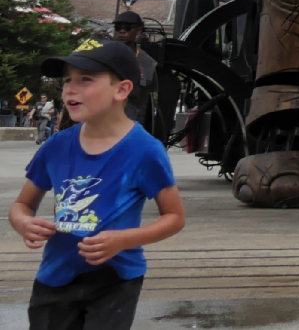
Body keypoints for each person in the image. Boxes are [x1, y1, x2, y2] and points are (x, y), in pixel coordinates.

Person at [10, 37, 184, 330]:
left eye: (86, 79)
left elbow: (174, 217)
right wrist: (24, 223)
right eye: (67, 80)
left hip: (115, 280)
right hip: (55, 275)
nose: (70, 89)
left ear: (122, 89)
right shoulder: (55, 146)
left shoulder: (145, 150)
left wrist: (123, 240)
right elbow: (22, 205)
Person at [107, 13, 156, 129]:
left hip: (131, 123)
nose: (122, 31)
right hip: (102, 119)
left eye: (128, 28)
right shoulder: (103, 56)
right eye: (118, 28)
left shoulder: (147, 63)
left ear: (138, 31)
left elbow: (145, 100)